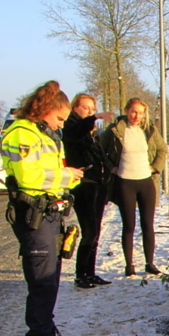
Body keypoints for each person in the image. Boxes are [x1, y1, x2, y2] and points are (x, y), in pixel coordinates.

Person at [0, 80, 84, 336]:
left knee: (50, 279)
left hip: (49, 213)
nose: (62, 123)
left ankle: (48, 335)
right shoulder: (21, 134)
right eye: (59, 117)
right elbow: (29, 177)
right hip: (33, 214)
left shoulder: (43, 133)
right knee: (41, 282)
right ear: (45, 109)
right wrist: (66, 176)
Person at [100, 97, 168, 276]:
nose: (136, 116)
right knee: (128, 225)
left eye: (140, 113)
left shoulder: (149, 130)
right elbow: (99, 150)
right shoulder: (116, 129)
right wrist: (112, 168)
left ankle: (150, 263)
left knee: (148, 224)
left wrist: (155, 167)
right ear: (126, 110)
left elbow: (162, 149)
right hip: (125, 182)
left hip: (146, 181)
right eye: (133, 112)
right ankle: (129, 266)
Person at [63, 93, 115, 289]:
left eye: (92, 109)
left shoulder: (90, 131)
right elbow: (75, 134)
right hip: (83, 185)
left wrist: (108, 173)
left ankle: (90, 272)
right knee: (89, 231)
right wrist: (96, 118)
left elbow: (100, 155)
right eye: (85, 108)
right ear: (75, 108)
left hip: (98, 184)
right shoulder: (71, 126)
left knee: (96, 231)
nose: (89, 112)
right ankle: (80, 274)